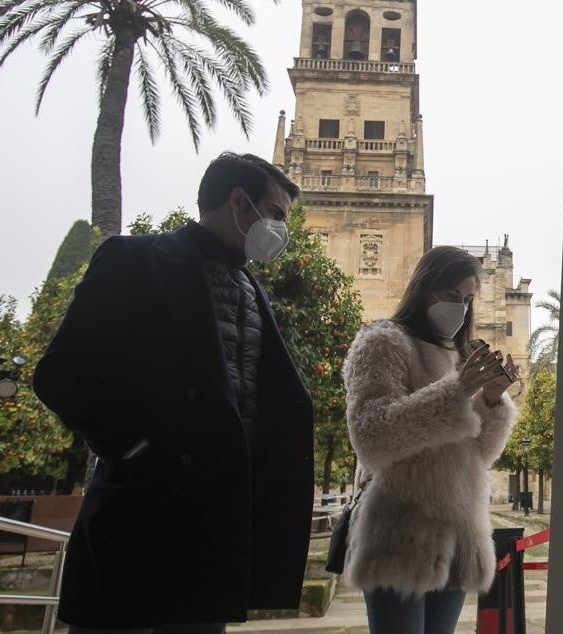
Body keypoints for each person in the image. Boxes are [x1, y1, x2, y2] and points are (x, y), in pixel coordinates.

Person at [32, 153, 314, 632]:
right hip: (139, 521)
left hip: (210, 535)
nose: (281, 231)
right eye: (276, 215)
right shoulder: (136, 259)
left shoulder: (251, 289)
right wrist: (132, 446)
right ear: (238, 201)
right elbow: (61, 372)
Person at [342, 245, 519, 634]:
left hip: (459, 532)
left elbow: (479, 456)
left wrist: (490, 399)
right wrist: (457, 390)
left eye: (468, 299)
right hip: (400, 532)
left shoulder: (459, 356)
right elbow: (371, 436)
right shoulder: (381, 341)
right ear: (425, 287)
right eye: (453, 296)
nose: (461, 307)